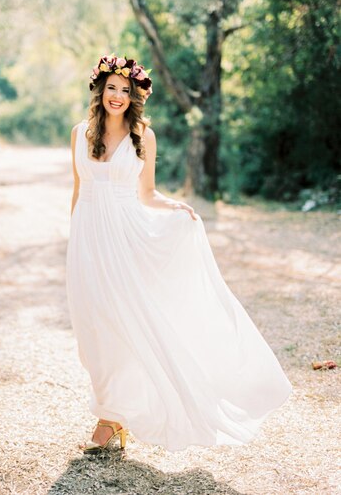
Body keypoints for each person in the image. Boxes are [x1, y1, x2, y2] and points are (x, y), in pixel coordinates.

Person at [65, 53, 292, 455]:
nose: (117, 96)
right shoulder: (79, 133)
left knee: (125, 324)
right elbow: (79, 191)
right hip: (88, 242)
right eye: (111, 88)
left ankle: (110, 419)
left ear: (134, 95)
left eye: (125, 90)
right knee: (92, 331)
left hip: (126, 240)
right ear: (100, 91)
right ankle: (113, 411)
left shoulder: (141, 136)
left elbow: (146, 194)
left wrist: (176, 208)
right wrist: (72, 242)